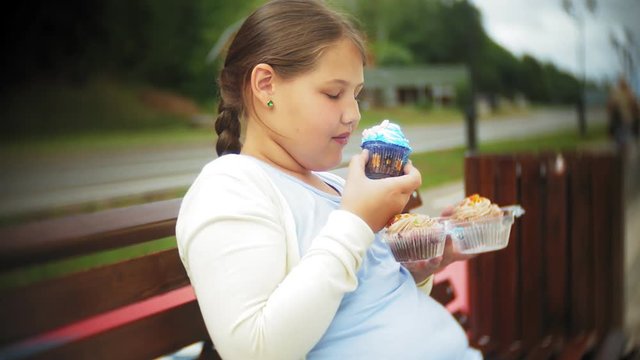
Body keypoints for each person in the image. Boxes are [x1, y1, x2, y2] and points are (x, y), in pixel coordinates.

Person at [175, 1, 481, 359]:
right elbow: (254, 350)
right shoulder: (231, 187)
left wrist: (416, 270)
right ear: (265, 84)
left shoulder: (335, 187)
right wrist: (355, 222)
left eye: (356, 95)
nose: (354, 114)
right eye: (333, 94)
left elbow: (364, 310)